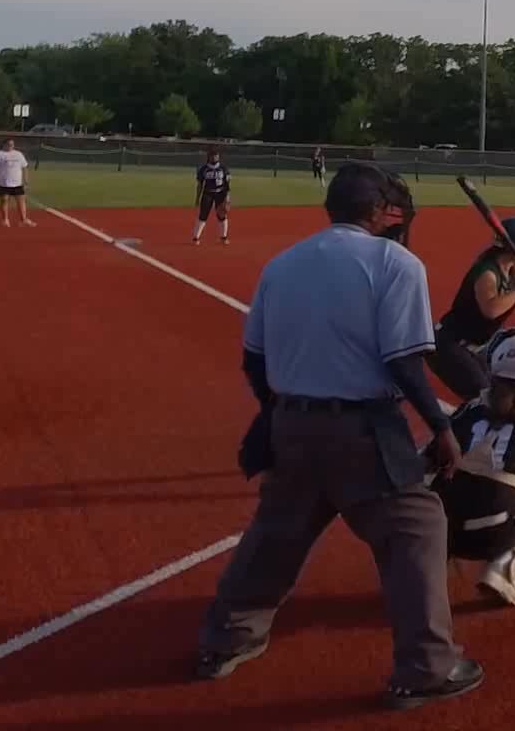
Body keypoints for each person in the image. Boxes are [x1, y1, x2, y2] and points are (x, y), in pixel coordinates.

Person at [196, 162, 485, 710]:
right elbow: (404, 361)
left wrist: (279, 412)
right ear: (378, 211)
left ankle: (225, 640)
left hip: (291, 422)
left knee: (277, 531)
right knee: (416, 527)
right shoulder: (396, 263)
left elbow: (254, 360)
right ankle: (426, 666)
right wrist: (441, 425)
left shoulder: (284, 263)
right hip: (362, 427)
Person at [431, 327, 515, 607]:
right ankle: (501, 571)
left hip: (443, 531)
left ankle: (425, 571)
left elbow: (431, 459)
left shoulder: (469, 409)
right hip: (492, 533)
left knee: (435, 492)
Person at [427, 217, 515, 402]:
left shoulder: (511, 274)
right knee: (485, 398)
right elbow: (490, 309)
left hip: (474, 348)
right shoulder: (487, 272)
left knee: (498, 393)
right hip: (449, 345)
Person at [0, 137, 34, 228]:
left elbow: (25, 167)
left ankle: (23, 220)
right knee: (4, 200)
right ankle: (5, 220)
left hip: (17, 183)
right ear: (4, 144)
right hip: (3, 183)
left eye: (12, 144)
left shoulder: (18, 154)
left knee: (21, 201)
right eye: (9, 144)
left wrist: (26, 180)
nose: (11, 146)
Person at [193, 147, 233, 245]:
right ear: (209, 157)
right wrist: (197, 198)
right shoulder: (204, 169)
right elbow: (200, 185)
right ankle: (196, 237)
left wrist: (227, 196)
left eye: (216, 156)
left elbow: (227, 184)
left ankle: (223, 237)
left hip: (220, 193)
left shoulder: (223, 168)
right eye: (213, 156)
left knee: (222, 214)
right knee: (203, 215)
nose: (215, 157)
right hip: (208, 193)